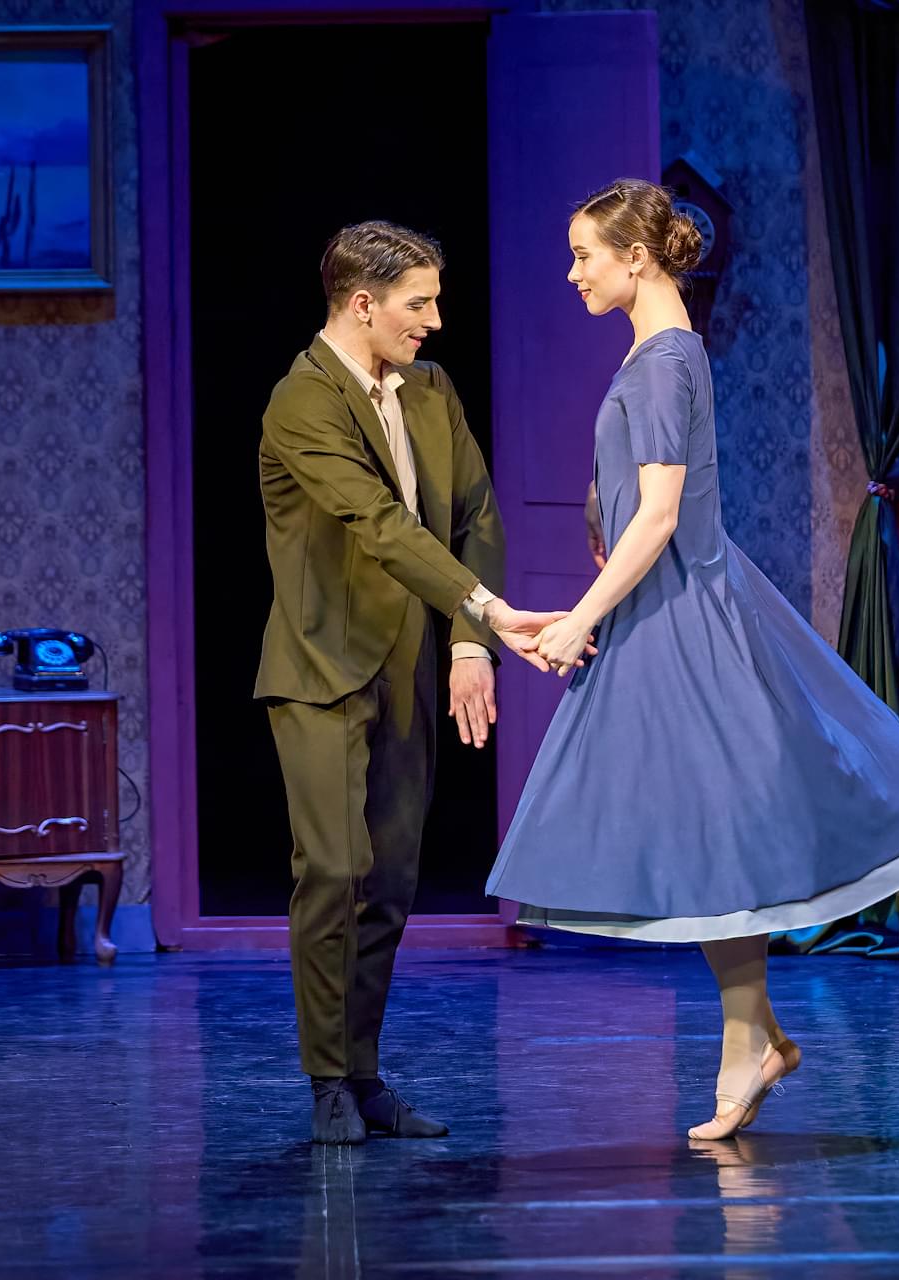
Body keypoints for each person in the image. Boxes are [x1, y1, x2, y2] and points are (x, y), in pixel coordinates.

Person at [485, 179, 899, 1141]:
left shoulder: (665, 360)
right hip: (668, 609)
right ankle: (753, 1038)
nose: (573, 273)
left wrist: (581, 618)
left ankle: (749, 1042)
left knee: (719, 827)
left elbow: (661, 515)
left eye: (585, 254)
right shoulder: (662, 352)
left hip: (685, 616)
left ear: (636, 258)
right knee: (708, 831)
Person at [256, 221, 572, 1144]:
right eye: (418, 303)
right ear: (363, 304)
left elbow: (476, 516)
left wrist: (470, 644)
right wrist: (492, 610)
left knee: (389, 881)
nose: (434, 321)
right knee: (333, 870)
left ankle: (363, 1076)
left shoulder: (431, 391)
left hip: (408, 666)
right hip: (320, 667)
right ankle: (325, 1080)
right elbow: (381, 524)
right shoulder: (301, 401)